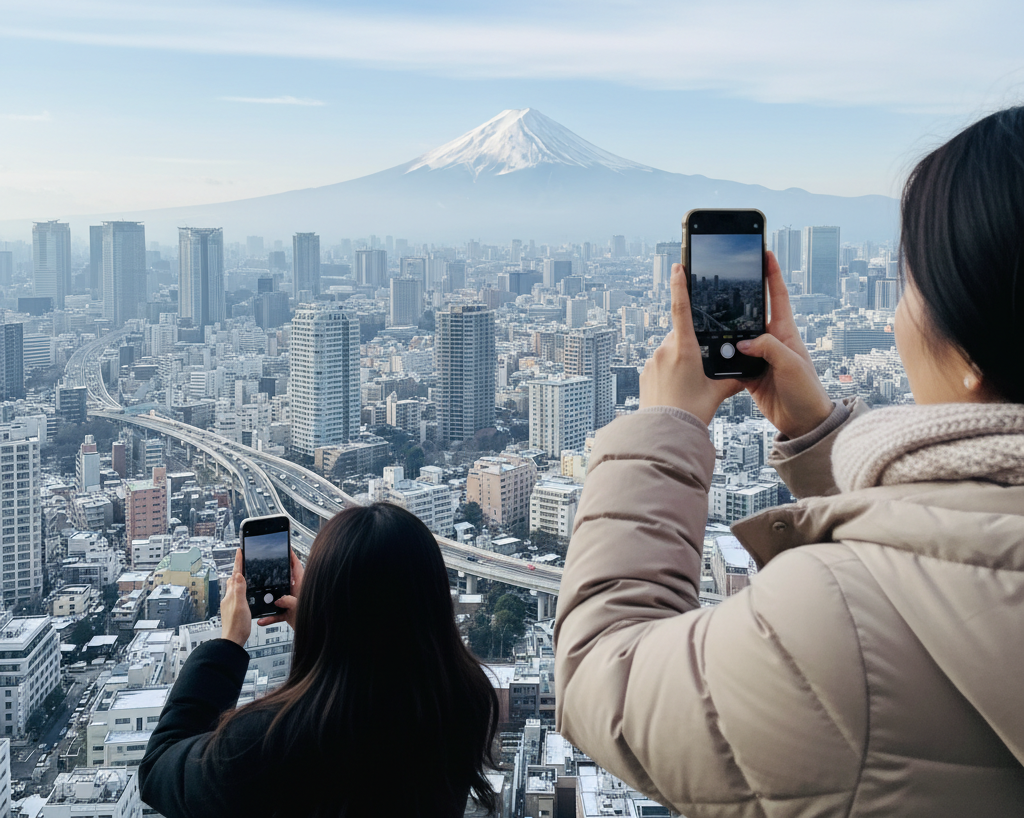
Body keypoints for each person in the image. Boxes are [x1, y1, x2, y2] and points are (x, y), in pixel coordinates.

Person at [555, 107, 1024, 815]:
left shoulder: (836, 623)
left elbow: (600, 678)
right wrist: (818, 438)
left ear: (969, 355)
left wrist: (663, 426)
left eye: (911, 287)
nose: (900, 319)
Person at [139, 503, 498, 818]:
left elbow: (159, 771)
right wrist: (322, 630)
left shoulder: (269, 738)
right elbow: (381, 660)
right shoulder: (464, 701)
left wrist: (229, 642)